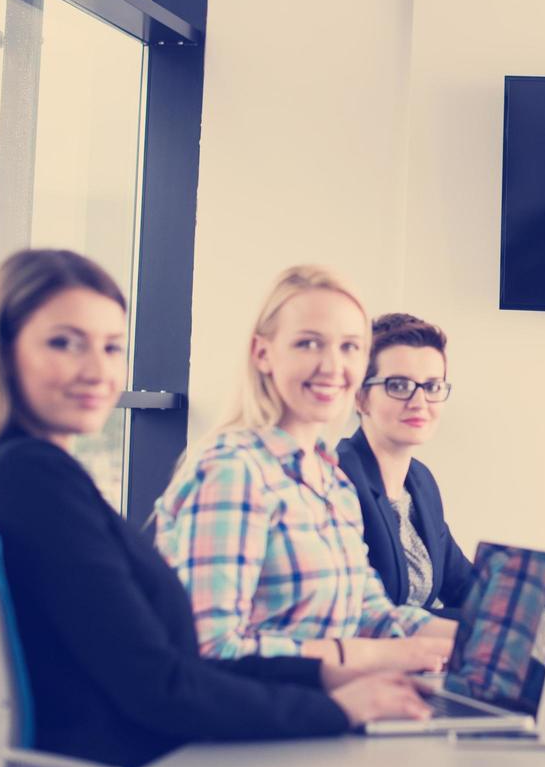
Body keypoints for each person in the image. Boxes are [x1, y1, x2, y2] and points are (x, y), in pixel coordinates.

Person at [0, 250, 429, 767]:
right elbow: (164, 684)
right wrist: (344, 705)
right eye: (64, 343)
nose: (97, 371)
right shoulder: (30, 480)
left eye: (111, 347)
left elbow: (166, 669)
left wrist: (402, 662)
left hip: (167, 761)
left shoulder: (33, 473)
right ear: (4, 352)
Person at [155, 266, 457, 669]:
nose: (333, 366)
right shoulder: (234, 471)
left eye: (350, 347)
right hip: (253, 726)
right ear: (263, 354)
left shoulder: (331, 480)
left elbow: (375, 617)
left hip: (326, 714)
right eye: (309, 344)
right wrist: (368, 656)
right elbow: (210, 650)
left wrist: (508, 646)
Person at [338, 313, 474, 619]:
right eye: (399, 385)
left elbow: (463, 586)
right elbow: (376, 618)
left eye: (432, 386)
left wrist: (533, 609)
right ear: (360, 398)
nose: (419, 401)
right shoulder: (339, 479)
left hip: (423, 662)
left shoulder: (420, 481)